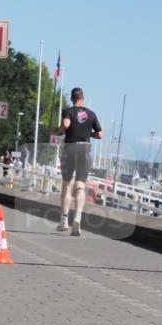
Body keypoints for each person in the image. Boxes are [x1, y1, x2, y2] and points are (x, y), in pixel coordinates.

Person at [56, 87, 102, 236]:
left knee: (67, 185)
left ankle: (64, 221)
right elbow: (100, 134)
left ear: (72, 98)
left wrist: (59, 130)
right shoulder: (91, 114)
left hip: (70, 149)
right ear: (83, 98)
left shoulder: (68, 111)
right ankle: (78, 218)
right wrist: (89, 134)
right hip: (85, 150)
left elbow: (66, 124)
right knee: (80, 186)